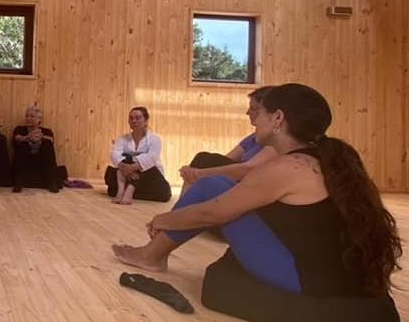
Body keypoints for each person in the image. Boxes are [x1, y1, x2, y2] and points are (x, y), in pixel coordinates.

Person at [112, 84, 402, 300]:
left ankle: (151, 256)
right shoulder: (318, 158)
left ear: (278, 118)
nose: (253, 119)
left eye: (259, 112)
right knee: (218, 187)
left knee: (213, 188)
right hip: (325, 272)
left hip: (307, 279)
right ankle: (154, 254)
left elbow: (213, 211)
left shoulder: (289, 167)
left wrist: (162, 220)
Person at [178, 86, 277, 195]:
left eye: (253, 109)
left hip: (253, 184)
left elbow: (249, 170)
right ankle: (182, 207)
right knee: (205, 160)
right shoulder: (254, 136)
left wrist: (198, 173)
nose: (247, 112)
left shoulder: (276, 140)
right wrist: (195, 173)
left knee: (204, 160)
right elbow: (227, 159)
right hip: (238, 180)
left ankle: (181, 208)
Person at [105, 107, 171, 204]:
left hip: (149, 175)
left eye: (138, 118)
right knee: (126, 158)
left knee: (140, 160)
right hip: (126, 174)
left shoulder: (154, 139)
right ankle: (122, 192)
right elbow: (114, 154)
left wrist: (132, 167)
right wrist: (123, 167)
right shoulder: (123, 139)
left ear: (146, 120)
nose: (134, 121)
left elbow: (151, 157)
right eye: (131, 118)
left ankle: (129, 190)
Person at [11, 105, 59, 193]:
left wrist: (40, 136)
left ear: (39, 120)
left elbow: (51, 140)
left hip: (41, 162)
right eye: (27, 116)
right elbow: (16, 138)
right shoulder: (19, 129)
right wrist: (28, 137)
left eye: (32, 116)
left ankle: (52, 182)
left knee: (47, 144)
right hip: (24, 161)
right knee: (23, 144)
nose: (28, 118)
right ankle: (18, 183)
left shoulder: (47, 131)